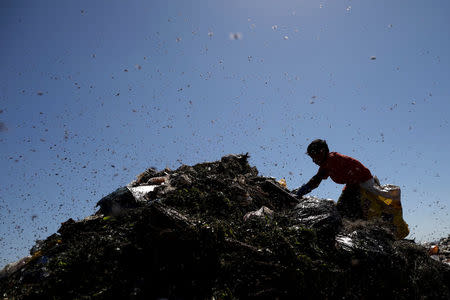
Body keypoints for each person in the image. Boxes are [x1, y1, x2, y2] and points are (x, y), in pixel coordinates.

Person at [295, 139, 376, 220]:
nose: (313, 161)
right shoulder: (327, 162)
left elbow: (316, 179)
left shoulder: (332, 160)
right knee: (342, 210)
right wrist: (302, 191)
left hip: (364, 183)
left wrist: (301, 192)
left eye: (314, 157)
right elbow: (316, 181)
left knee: (348, 213)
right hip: (352, 184)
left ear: (322, 152)